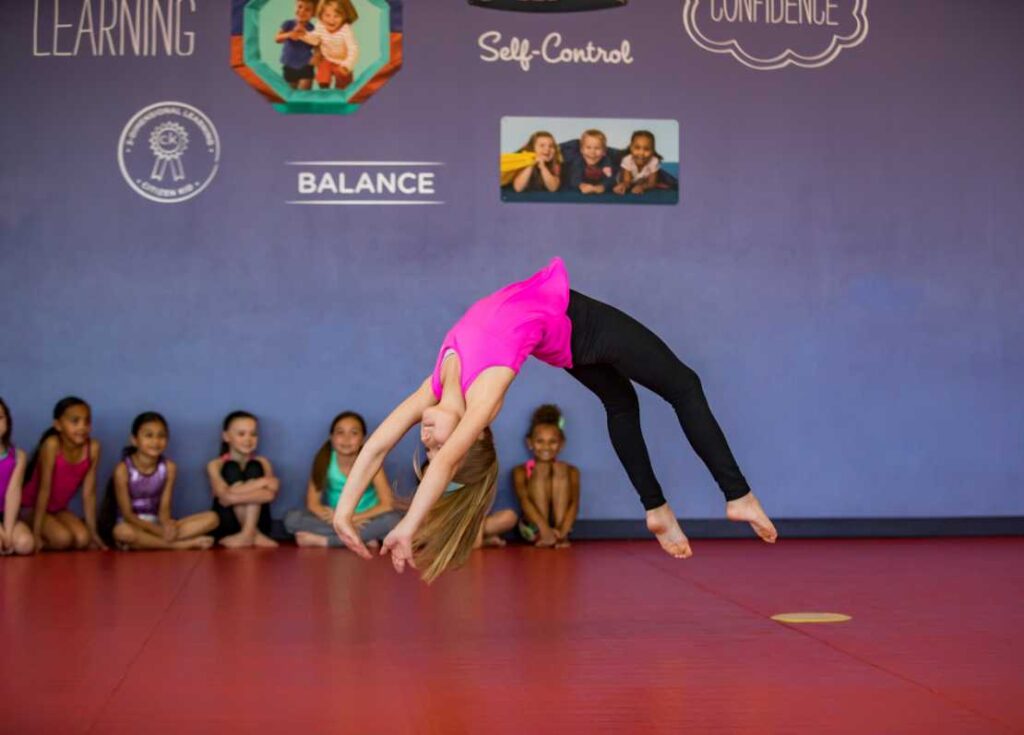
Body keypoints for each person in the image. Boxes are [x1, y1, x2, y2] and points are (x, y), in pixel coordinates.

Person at [334, 257, 777, 583]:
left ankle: (656, 510)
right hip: (579, 322)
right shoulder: (485, 393)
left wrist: (343, 515)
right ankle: (736, 495)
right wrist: (409, 527)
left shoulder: (433, 386)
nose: (428, 440)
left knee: (622, 403)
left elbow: (375, 446)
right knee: (684, 386)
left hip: (560, 335)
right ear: (468, 439)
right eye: (438, 447)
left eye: (426, 446)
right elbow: (448, 462)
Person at [98, 412, 218, 550]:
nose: (155, 441)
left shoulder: (169, 467)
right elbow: (127, 515)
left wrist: (167, 526)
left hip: (156, 523)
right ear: (134, 440)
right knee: (122, 532)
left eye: (161, 436)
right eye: (149, 436)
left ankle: (150, 543)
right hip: (132, 525)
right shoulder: (123, 469)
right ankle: (178, 545)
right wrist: (159, 532)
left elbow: (164, 510)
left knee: (213, 518)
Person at [284, 411, 402, 548]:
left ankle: (326, 541)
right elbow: (313, 503)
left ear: (363, 439)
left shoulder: (370, 462)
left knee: (393, 520)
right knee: (292, 519)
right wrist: (339, 519)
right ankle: (364, 537)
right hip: (335, 517)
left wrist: (352, 518)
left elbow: (387, 504)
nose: (346, 439)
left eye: (354, 433)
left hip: (368, 517)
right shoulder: (324, 459)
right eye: (340, 433)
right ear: (332, 437)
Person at [21, 397, 105, 551]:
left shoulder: (93, 447)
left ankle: (75, 532)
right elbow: (44, 489)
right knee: (62, 539)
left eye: (87, 421)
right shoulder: (52, 445)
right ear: (58, 425)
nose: (82, 427)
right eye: (75, 421)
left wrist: (93, 532)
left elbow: (89, 493)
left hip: (57, 509)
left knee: (82, 539)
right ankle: (28, 532)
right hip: (31, 507)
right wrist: (37, 532)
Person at [207, 411, 279, 548]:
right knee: (231, 467)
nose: (248, 439)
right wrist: (261, 483)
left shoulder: (263, 462)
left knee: (254, 466)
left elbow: (269, 495)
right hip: (228, 524)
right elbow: (222, 496)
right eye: (241, 434)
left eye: (253, 434)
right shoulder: (215, 464)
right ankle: (253, 535)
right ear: (226, 436)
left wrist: (232, 496)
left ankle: (248, 533)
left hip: (260, 523)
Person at [513, 404, 579, 548]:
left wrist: (562, 532)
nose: (546, 447)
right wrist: (545, 531)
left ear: (561, 444)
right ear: (530, 443)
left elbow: (574, 503)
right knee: (541, 469)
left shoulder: (571, 471)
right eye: (540, 441)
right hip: (533, 529)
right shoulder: (520, 471)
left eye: (552, 442)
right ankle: (545, 536)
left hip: (562, 530)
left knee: (560, 469)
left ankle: (560, 536)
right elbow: (525, 501)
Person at [0, 398, 34, 555]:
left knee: (25, 544)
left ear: (7, 421)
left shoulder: (18, 456)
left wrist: (7, 531)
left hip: (6, 513)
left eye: (0, 418)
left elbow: (13, 494)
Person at [303, 0, 359, 90]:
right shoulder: (320, 25)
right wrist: (303, 35)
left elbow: (353, 49)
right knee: (323, 72)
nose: (331, 20)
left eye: (336, 16)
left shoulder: (345, 29)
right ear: (321, 15)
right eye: (327, 15)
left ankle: (342, 90)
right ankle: (324, 89)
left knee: (344, 84)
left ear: (344, 16)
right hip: (327, 59)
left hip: (341, 62)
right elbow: (314, 40)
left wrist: (347, 65)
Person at [276, 0, 317, 90]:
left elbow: (317, 45)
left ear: (313, 13)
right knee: (290, 94)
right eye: (300, 7)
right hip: (289, 65)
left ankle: (304, 103)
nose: (302, 11)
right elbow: (277, 38)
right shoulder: (288, 24)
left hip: (306, 65)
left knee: (304, 95)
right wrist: (289, 34)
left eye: (307, 10)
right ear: (295, 6)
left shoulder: (313, 28)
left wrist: (316, 56)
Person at [613, 130, 661, 196]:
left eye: (646, 149)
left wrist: (642, 187)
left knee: (664, 177)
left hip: (641, 179)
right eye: (637, 148)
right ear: (631, 148)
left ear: (652, 150)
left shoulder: (654, 161)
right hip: (621, 175)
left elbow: (652, 183)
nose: (641, 153)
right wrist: (623, 186)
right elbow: (627, 181)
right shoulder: (627, 160)